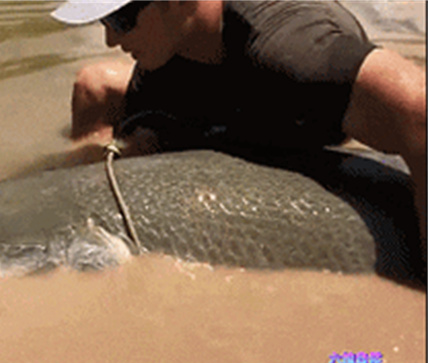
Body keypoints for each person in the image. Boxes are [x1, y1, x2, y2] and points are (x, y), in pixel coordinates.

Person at [51, 0, 426, 269]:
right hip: (216, 90)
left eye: (120, 18)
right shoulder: (168, 50)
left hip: (288, 111)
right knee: (94, 84)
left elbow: (418, 111)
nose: (111, 40)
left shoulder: (289, 49)